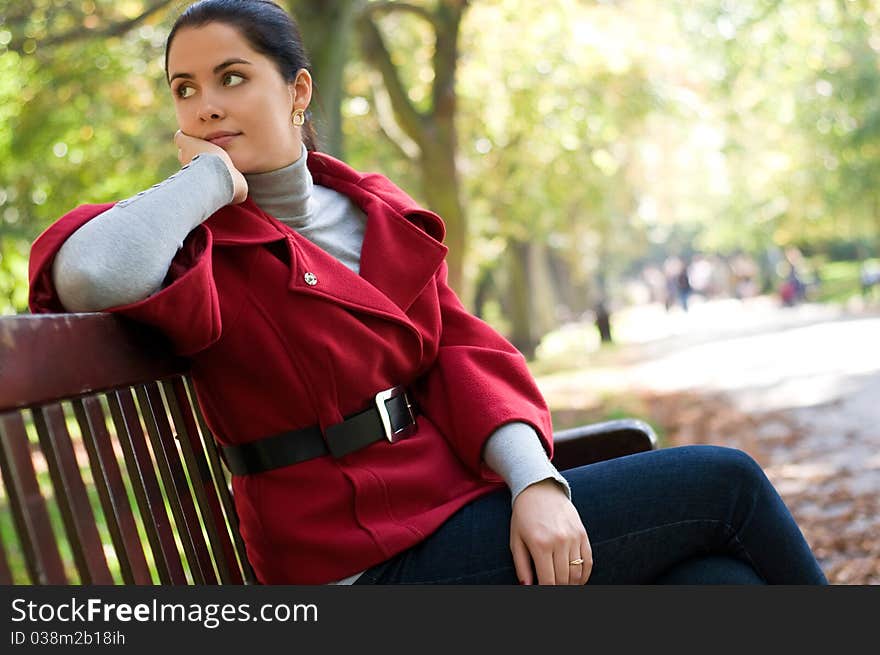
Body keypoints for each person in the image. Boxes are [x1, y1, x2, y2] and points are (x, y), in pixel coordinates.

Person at [28, 0, 828, 586]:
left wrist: (536, 482)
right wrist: (210, 175)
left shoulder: (371, 210)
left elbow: (457, 352)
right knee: (725, 485)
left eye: (232, 78)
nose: (205, 104)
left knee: (717, 585)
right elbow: (93, 274)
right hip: (357, 559)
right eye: (184, 88)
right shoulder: (194, 242)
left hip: (449, 509)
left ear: (298, 92)